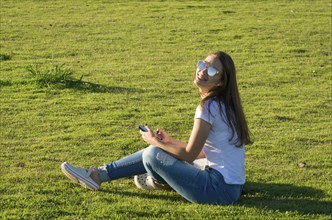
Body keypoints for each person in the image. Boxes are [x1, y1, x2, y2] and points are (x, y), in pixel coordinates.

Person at [61, 51, 253, 205]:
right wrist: (167, 142)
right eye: (203, 64)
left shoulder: (209, 107)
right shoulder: (225, 105)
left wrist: (155, 142)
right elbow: (204, 152)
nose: (202, 71)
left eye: (211, 71)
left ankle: (108, 177)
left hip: (216, 189)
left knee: (152, 154)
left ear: (220, 82)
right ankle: (105, 175)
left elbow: (189, 154)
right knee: (161, 151)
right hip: (230, 188)